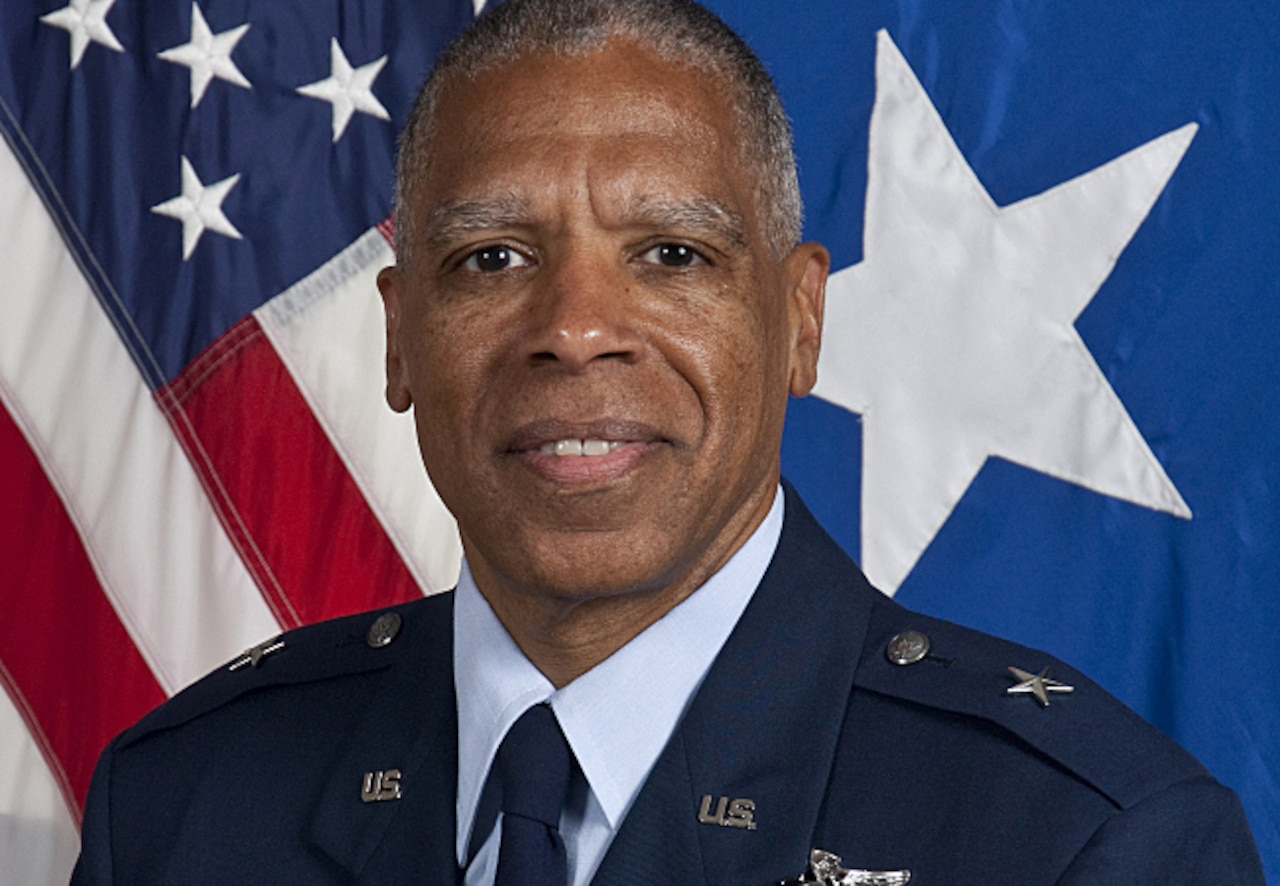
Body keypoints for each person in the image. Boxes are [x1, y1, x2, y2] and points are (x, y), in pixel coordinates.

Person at [72, 0, 1264, 883]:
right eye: (491, 258)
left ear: (800, 322)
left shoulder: (1083, 841)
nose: (575, 329)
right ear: (398, 339)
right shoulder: (183, 810)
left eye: (671, 255)